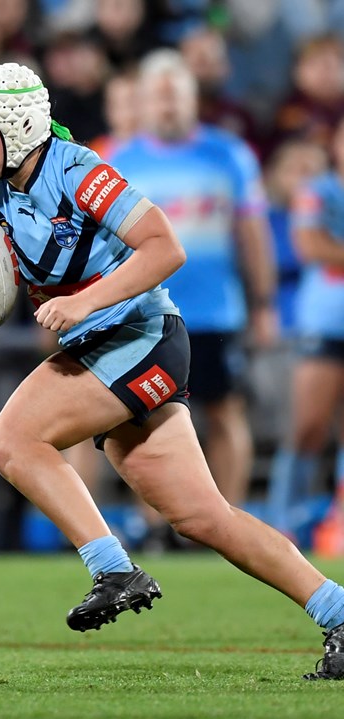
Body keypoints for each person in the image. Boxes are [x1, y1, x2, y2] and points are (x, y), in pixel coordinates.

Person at [0, 61, 344, 679]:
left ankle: (113, 569)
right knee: (203, 517)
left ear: (20, 125)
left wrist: (85, 302)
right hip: (106, 343)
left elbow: (166, 246)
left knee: (8, 441)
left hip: (139, 336)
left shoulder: (79, 171)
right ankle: (337, 611)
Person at [110, 50, 278, 527]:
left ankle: (232, 521)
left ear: (192, 98)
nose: (168, 106)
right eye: (159, 96)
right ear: (143, 102)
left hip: (215, 312)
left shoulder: (230, 155)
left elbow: (253, 235)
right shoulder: (120, 162)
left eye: (176, 95)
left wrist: (264, 303)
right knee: (144, 420)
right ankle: (156, 527)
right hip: (145, 315)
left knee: (224, 412)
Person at [267, 117, 344, 551]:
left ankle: (338, 521)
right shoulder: (317, 191)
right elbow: (311, 246)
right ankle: (282, 521)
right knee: (308, 427)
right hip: (325, 321)